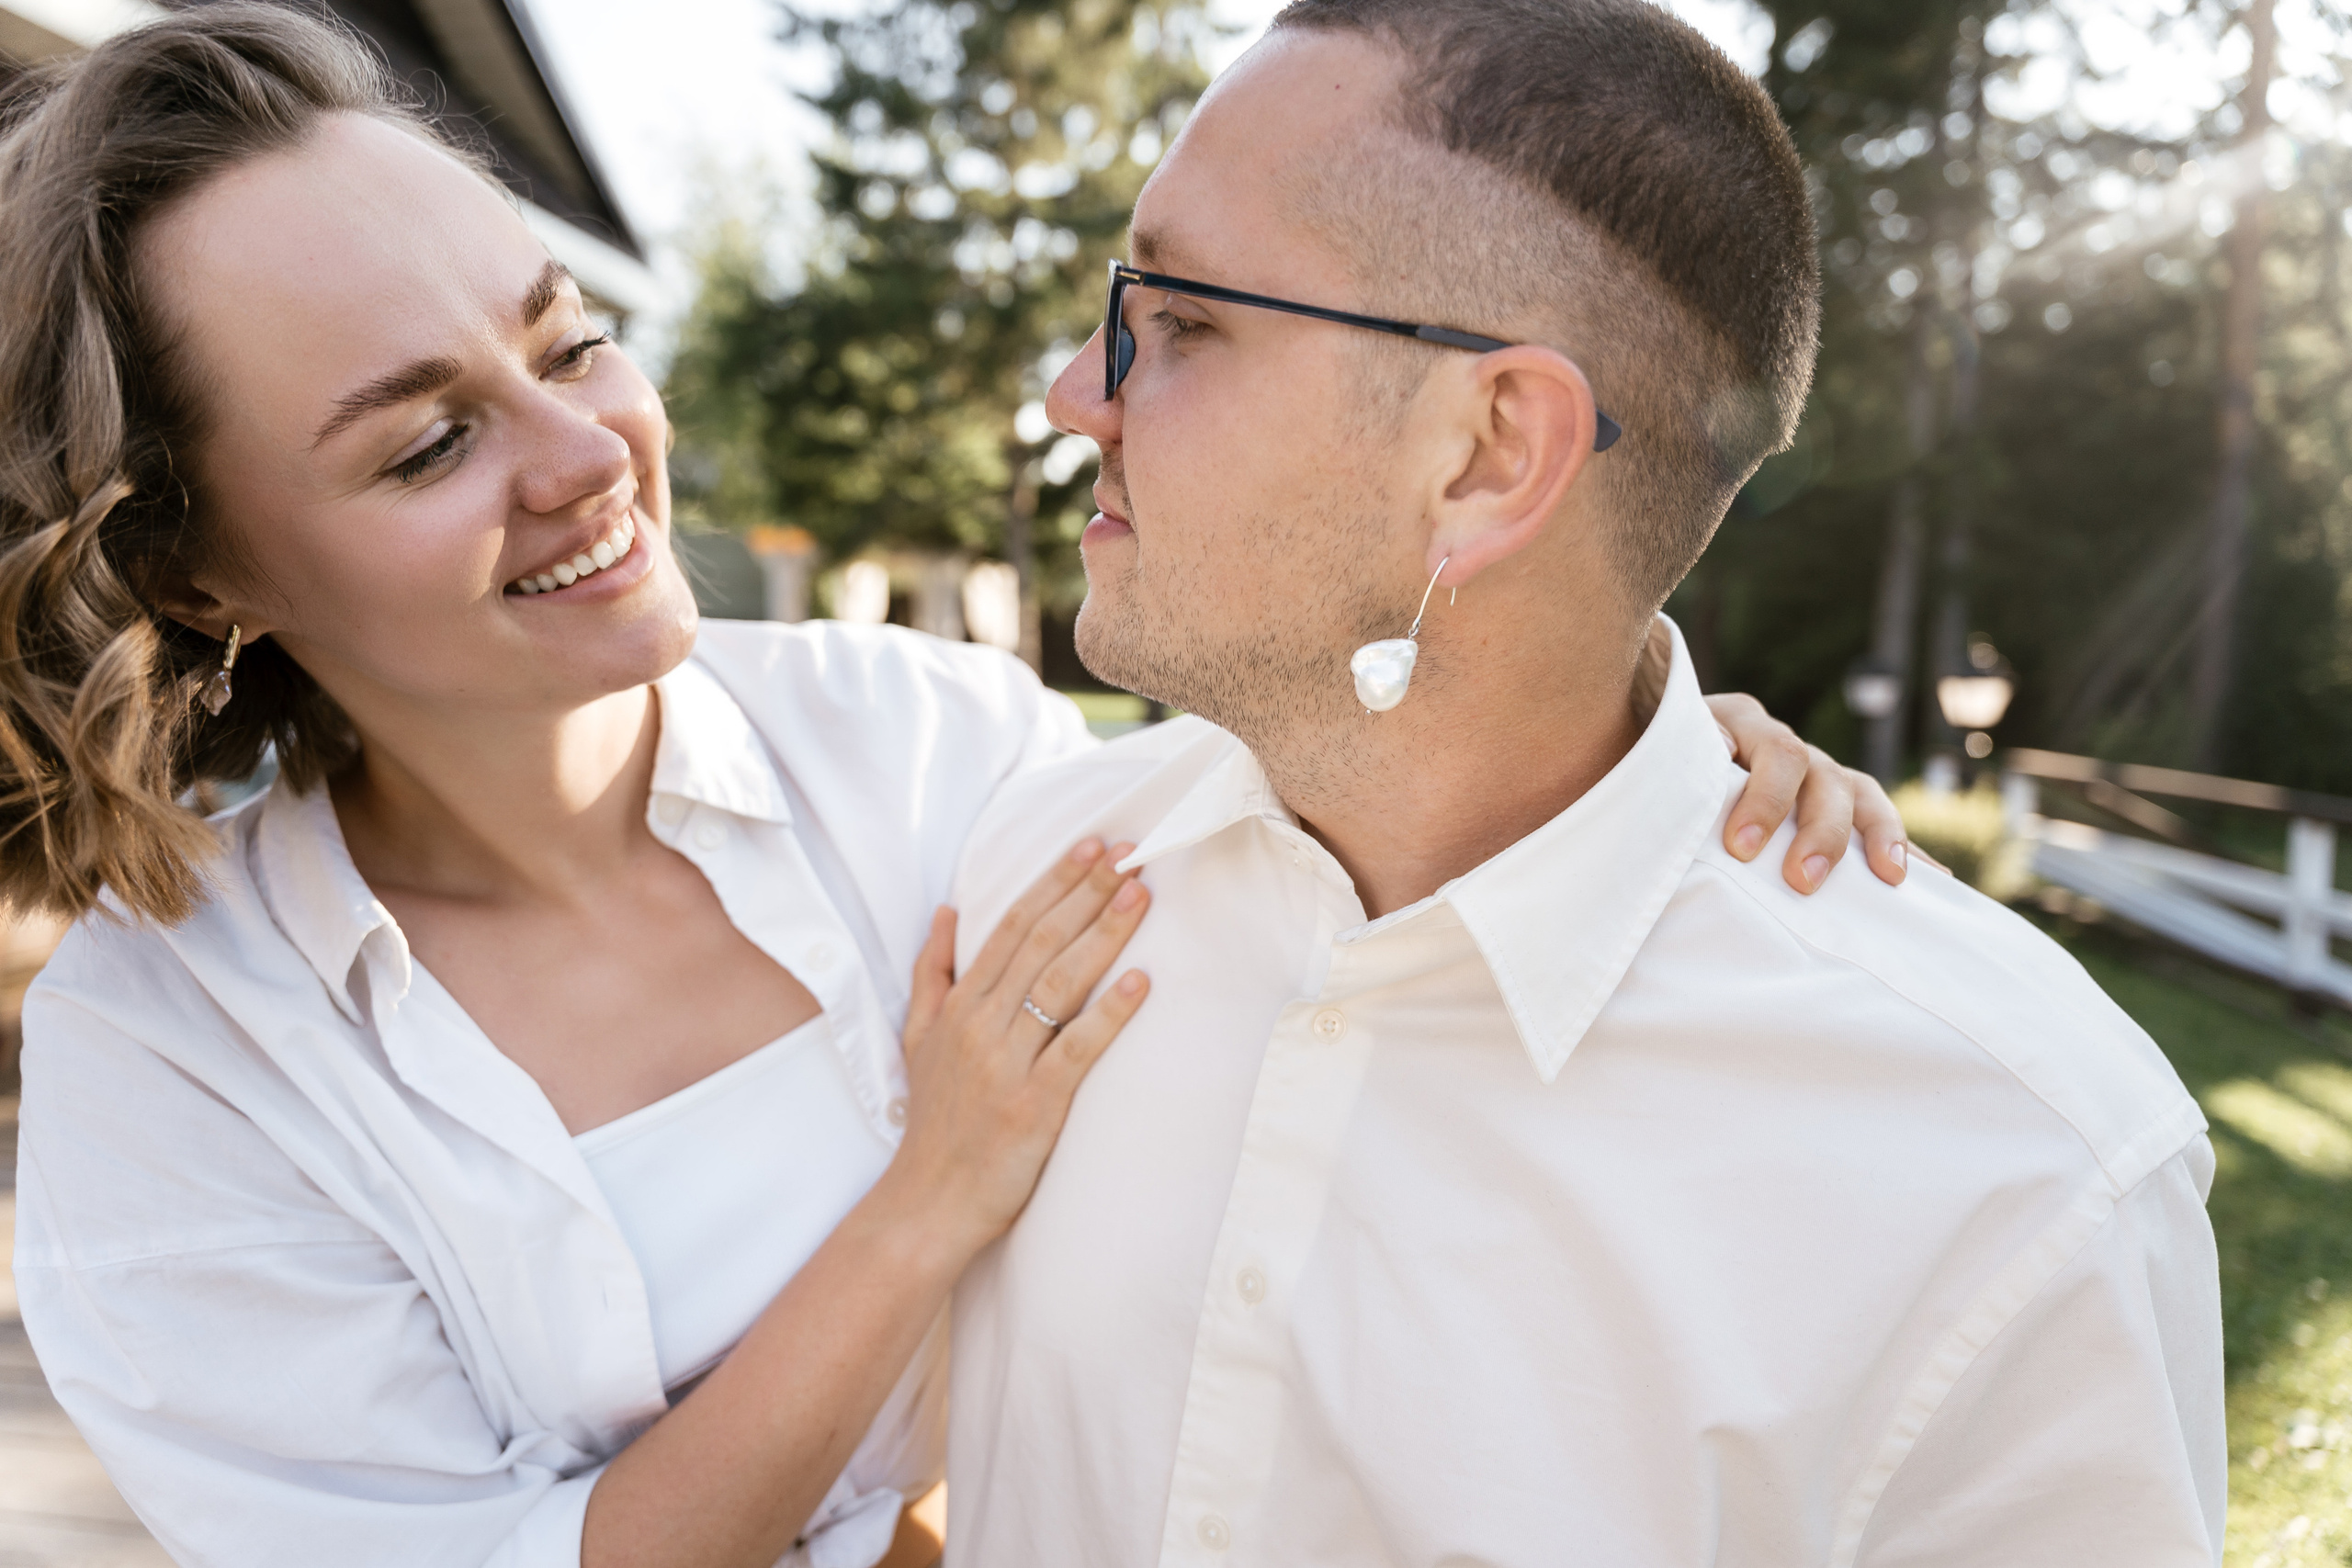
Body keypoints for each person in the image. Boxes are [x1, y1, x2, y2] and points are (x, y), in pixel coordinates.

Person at [0, 7, 1904, 1568]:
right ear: (200, 572)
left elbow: (1361, 846)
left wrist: (1646, 737)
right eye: (428, 444)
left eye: (569, 339)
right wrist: (929, 1199)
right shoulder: (174, 1056)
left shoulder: (934, 750)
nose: (584, 452)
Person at [942, 4, 2226, 1565]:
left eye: (1186, 320)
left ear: (1490, 456)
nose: (1077, 392)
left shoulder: (2020, 1183)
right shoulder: (1019, 874)